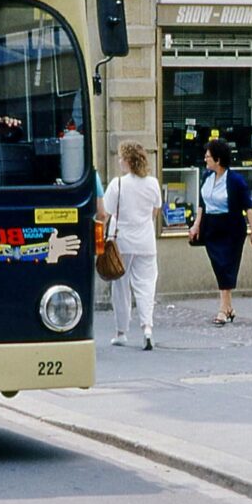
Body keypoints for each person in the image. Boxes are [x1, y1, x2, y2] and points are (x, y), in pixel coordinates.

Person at [97, 141, 163, 350]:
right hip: (146, 241)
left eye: (121, 158)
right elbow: (154, 212)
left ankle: (121, 331)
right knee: (146, 285)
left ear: (127, 161)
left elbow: (105, 214)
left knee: (121, 288)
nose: (119, 161)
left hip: (121, 242)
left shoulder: (117, 184)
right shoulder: (152, 183)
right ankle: (147, 328)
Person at [189, 139, 252, 326]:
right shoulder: (206, 177)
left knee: (226, 267)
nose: (205, 159)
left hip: (231, 227)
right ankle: (228, 307)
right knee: (218, 266)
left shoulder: (236, 181)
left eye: (208, 156)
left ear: (218, 159)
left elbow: (248, 208)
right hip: (211, 226)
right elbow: (201, 204)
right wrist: (196, 224)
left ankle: (222, 309)